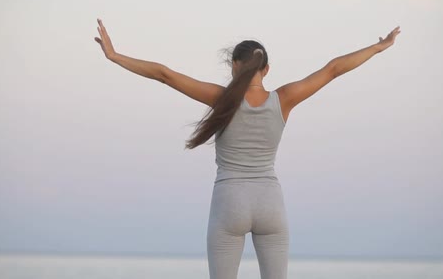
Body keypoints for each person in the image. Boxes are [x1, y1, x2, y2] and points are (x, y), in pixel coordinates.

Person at [94, 18, 401, 279]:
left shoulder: (221, 97)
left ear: (234, 66)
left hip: (230, 201)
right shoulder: (284, 98)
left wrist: (116, 56)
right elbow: (333, 69)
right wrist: (378, 47)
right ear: (266, 70)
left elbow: (165, 74)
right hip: (270, 203)